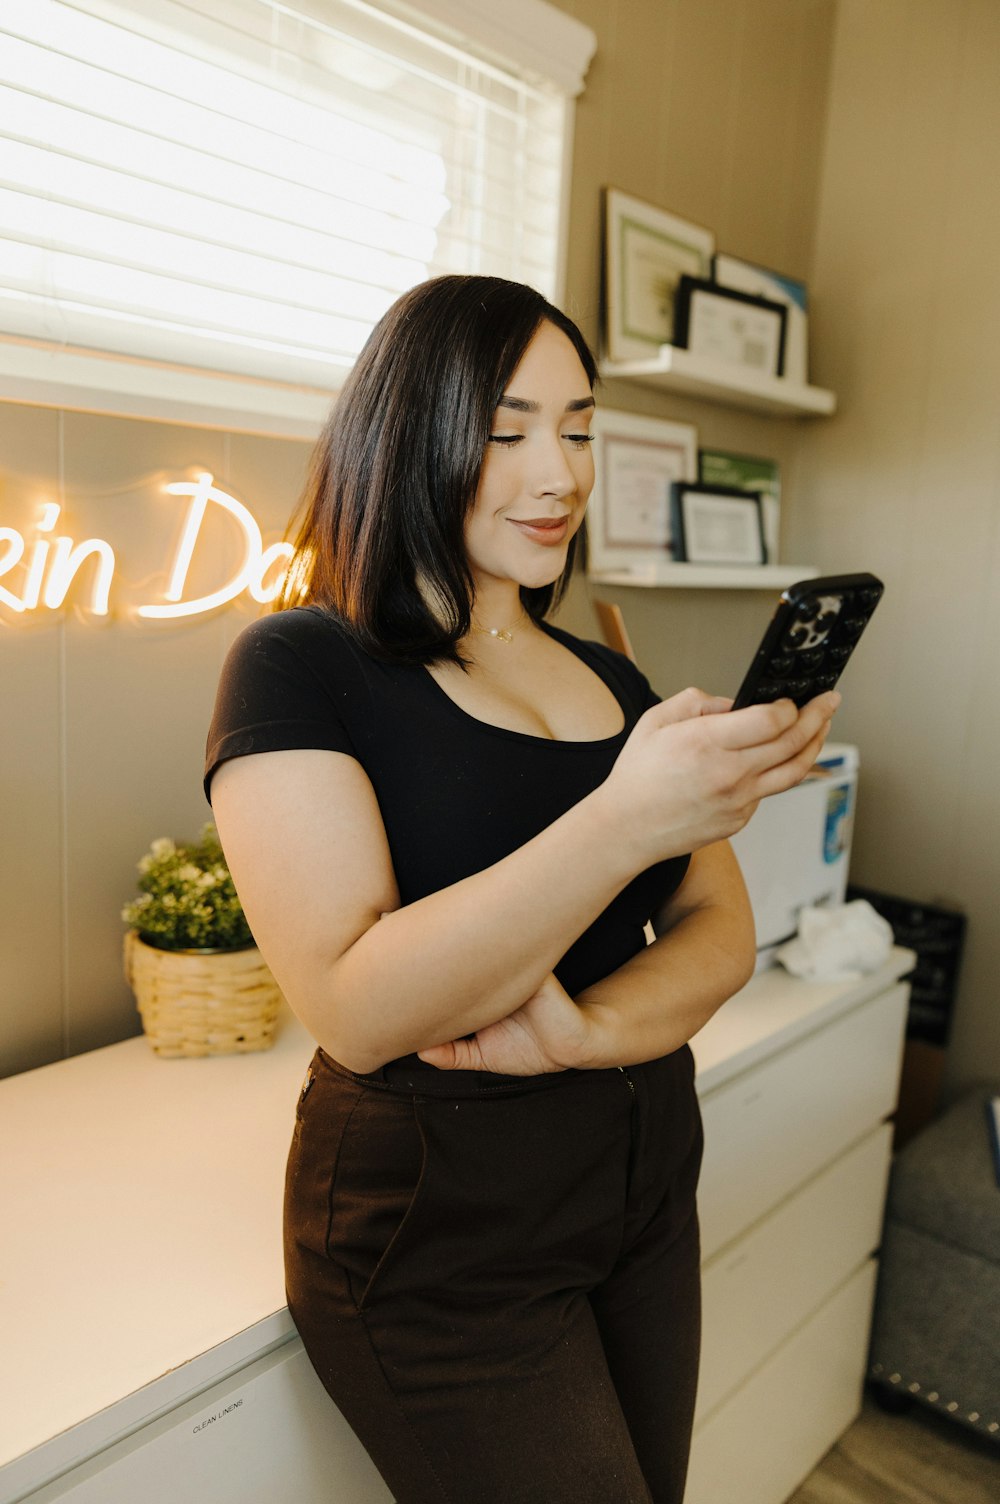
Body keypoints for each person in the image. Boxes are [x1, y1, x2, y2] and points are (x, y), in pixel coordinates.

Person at [204, 275, 839, 1504]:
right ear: (406, 432)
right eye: (506, 432)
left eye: (580, 428)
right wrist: (627, 816)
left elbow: (718, 931)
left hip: (641, 1178)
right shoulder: (299, 664)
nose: (559, 473)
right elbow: (353, 1000)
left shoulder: (611, 672)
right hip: (440, 1228)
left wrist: (583, 1033)